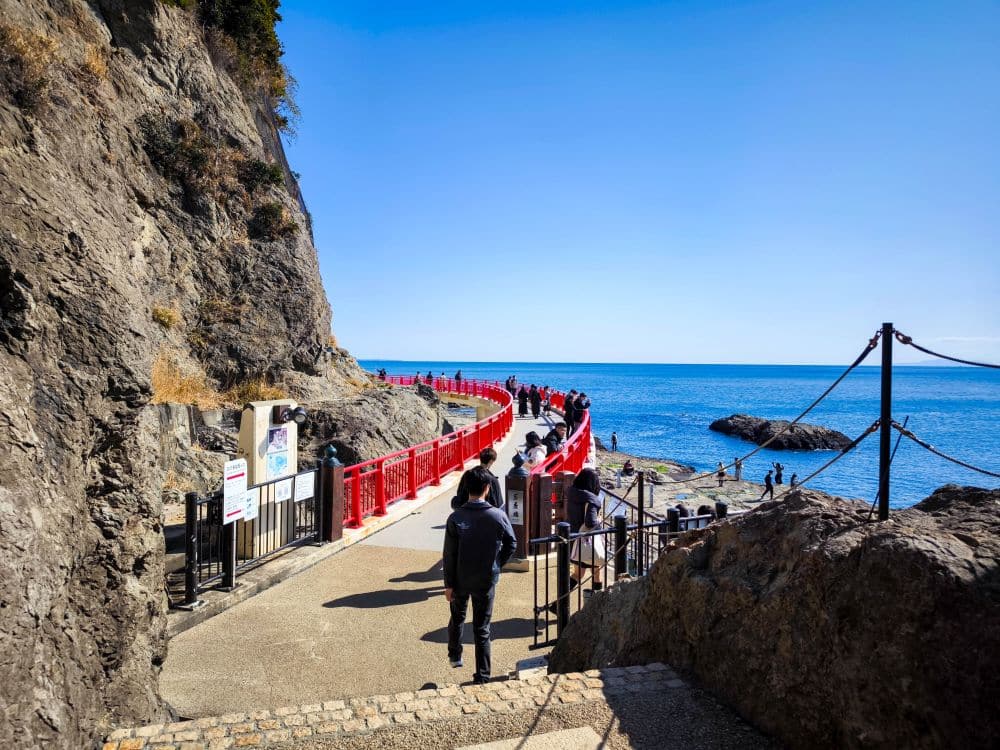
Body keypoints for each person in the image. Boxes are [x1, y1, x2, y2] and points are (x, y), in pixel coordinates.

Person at [443, 466, 516, 685]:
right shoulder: (498, 516)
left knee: (457, 616)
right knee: (482, 628)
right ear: (487, 488)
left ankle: (455, 654)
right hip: (486, 578)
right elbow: (511, 543)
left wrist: (448, 584)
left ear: (466, 488)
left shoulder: (455, 517)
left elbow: (449, 554)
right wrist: (497, 563)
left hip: (460, 577)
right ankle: (482, 675)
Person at [566, 468, 605, 595]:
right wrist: (599, 521)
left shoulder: (572, 493)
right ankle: (597, 601)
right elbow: (590, 523)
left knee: (578, 573)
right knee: (596, 571)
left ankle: (560, 601)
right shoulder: (592, 500)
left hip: (574, 539)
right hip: (587, 542)